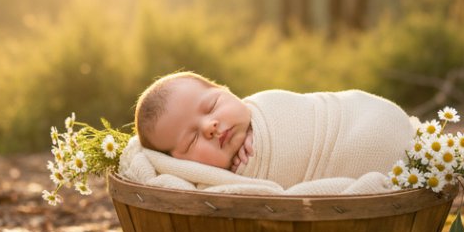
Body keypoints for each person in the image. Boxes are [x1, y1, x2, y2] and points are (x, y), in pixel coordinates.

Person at [132, 71, 412, 188]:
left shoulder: (266, 105)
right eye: (192, 139)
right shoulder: (216, 187)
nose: (210, 127)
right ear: (179, 164)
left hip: (364, 117)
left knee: (372, 134)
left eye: (212, 105)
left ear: (228, 92)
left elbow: (305, 111)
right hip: (370, 163)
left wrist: (261, 135)